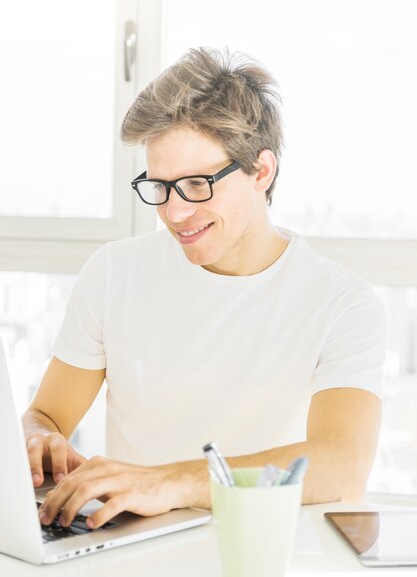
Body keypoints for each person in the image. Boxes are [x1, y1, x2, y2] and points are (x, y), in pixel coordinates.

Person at [23, 47, 386, 530]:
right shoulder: (113, 272)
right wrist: (37, 438)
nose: (174, 212)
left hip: (259, 555)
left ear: (262, 171)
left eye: (197, 184)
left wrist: (166, 482)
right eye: (160, 186)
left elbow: (342, 465)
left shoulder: (343, 305)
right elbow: (45, 414)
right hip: (123, 554)